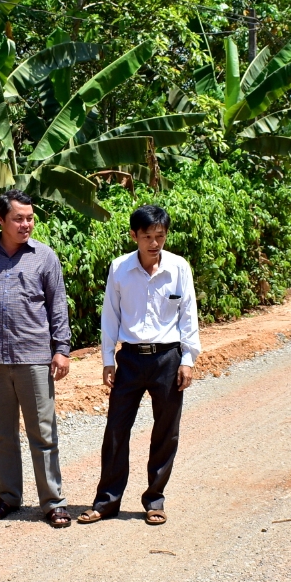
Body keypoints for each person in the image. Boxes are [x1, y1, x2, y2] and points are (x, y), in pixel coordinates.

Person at [78, 205, 201, 527]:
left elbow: (188, 316)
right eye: (147, 236)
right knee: (116, 430)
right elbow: (110, 315)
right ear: (134, 236)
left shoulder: (179, 268)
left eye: (160, 236)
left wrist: (188, 360)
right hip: (130, 358)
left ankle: (155, 500)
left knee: (165, 432)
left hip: (168, 359)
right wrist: (107, 359)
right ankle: (106, 502)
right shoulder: (119, 269)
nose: (154, 243)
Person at [0, 189, 73, 527]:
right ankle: (9, 497)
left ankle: (53, 502)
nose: (26, 224)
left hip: (35, 357)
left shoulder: (44, 257)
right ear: (1, 221)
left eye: (30, 218)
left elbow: (57, 305)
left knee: (43, 433)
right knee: (1, 434)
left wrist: (61, 349)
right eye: (19, 218)